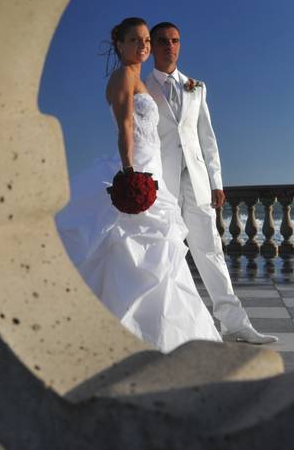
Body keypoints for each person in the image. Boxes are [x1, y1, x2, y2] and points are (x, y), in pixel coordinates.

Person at [56, 17, 222, 353]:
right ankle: (127, 334)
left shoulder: (139, 79)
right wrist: (131, 173)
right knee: (133, 253)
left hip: (154, 169)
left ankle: (166, 335)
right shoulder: (123, 76)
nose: (144, 46)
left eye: (147, 40)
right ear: (119, 44)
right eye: (136, 40)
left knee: (163, 257)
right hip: (139, 169)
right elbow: (126, 126)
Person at [145, 21, 277, 344]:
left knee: (212, 251)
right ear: (152, 45)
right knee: (167, 252)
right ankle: (166, 325)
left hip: (198, 181)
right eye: (162, 41)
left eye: (175, 41)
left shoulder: (196, 87)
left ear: (180, 44)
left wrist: (217, 181)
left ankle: (234, 324)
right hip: (162, 185)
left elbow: (208, 137)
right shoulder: (142, 87)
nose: (169, 46)